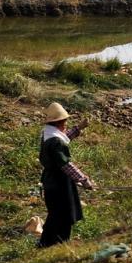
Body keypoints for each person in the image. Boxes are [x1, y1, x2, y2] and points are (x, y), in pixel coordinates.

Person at [38, 102, 94, 247]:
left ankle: (46, 243)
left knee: (55, 213)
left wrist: (78, 128)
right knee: (63, 214)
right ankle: (58, 243)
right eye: (65, 122)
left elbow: (64, 137)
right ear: (59, 123)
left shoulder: (48, 134)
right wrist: (83, 179)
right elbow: (65, 164)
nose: (66, 125)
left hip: (51, 180)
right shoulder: (55, 141)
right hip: (59, 182)